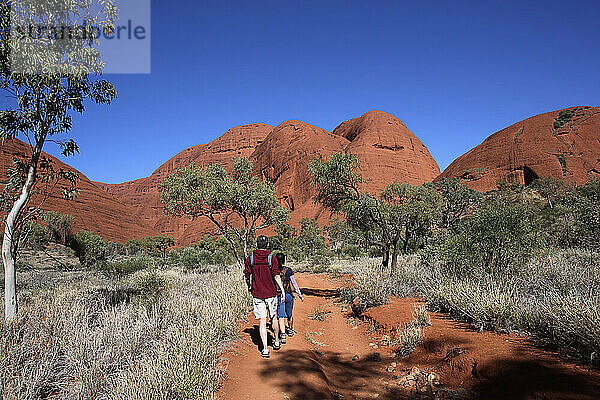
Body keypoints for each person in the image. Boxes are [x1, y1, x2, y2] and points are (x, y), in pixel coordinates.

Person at [244, 235, 286, 359]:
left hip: (257, 294)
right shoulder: (271, 258)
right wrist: (282, 290)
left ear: (257, 245)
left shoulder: (250, 258)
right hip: (271, 293)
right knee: (273, 317)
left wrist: (249, 286)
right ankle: (277, 340)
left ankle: (265, 349)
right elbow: (276, 276)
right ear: (267, 245)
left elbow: (247, 275)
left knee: (262, 320)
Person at [275, 252, 304, 344]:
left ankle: (283, 335)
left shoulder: (273, 270)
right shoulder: (289, 270)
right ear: (284, 260)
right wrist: (299, 295)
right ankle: (291, 330)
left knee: (280, 315)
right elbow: (294, 283)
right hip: (288, 295)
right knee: (289, 313)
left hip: (279, 295)